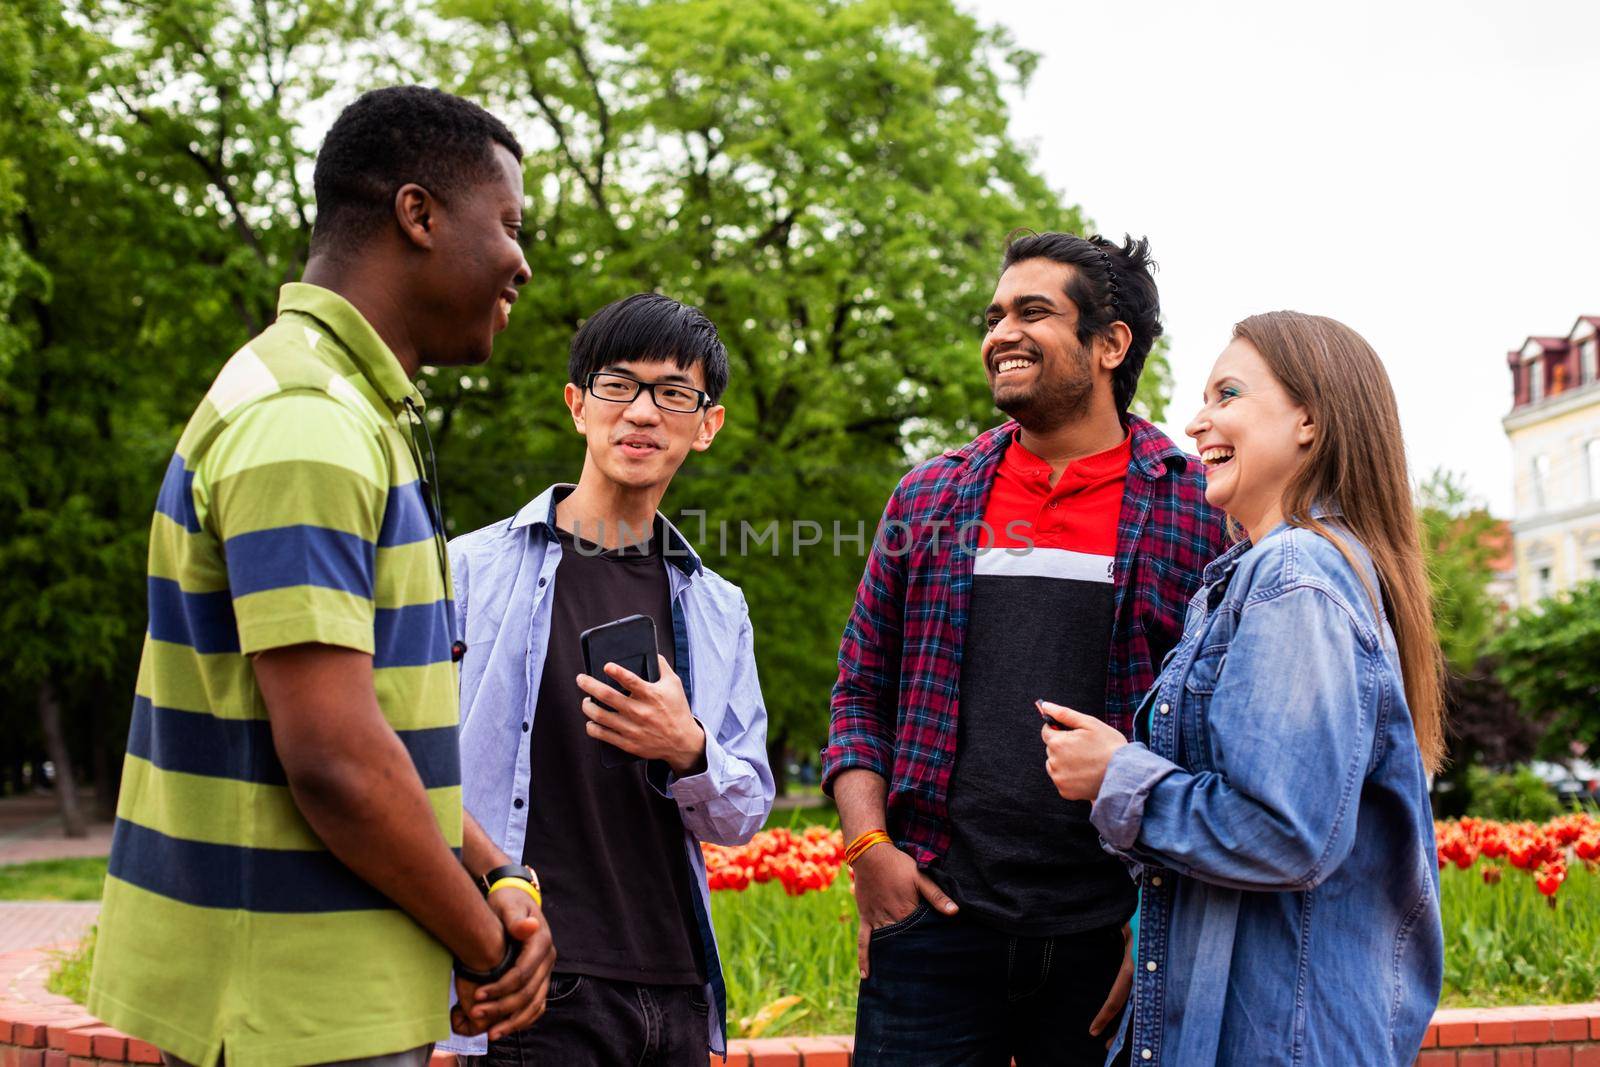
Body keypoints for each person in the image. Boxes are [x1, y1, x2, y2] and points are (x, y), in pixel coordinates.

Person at [87, 86, 558, 1067]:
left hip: (317, 999)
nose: (521, 260)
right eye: (508, 222)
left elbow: (372, 727)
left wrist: (496, 866)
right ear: (419, 214)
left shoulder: (345, 406)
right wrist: (483, 945)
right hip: (292, 1009)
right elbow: (336, 759)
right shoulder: (307, 419)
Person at [823, 231, 1230, 1066]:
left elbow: (1225, 733)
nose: (999, 332)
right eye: (995, 314)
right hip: (932, 927)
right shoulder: (928, 496)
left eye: (1032, 312)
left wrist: (1158, 922)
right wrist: (870, 851)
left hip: (1109, 938)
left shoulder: (1201, 508)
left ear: (1111, 344)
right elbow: (861, 690)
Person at [1042, 311, 1446, 1065]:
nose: (1198, 422)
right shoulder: (1257, 575)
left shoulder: (1296, 574)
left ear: (1310, 422)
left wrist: (1116, 773)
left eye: (1227, 394)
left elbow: (1286, 833)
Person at [444, 292, 774, 1066]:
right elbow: (409, 760)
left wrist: (688, 747)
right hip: (540, 980)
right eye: (617, 385)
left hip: (681, 987)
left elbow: (744, 811)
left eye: (673, 393)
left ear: (706, 426)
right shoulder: (469, 570)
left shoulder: (719, 606)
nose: (642, 413)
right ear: (577, 405)